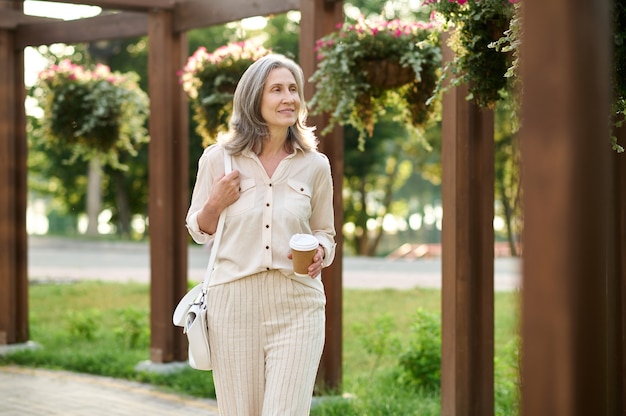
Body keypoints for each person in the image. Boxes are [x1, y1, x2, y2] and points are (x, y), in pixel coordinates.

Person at [185, 53, 336, 415]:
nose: (289, 98)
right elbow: (199, 230)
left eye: (294, 89)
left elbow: (325, 231)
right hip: (233, 304)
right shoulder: (217, 160)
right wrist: (216, 203)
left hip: (298, 304)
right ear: (254, 98)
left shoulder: (315, 164)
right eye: (277, 90)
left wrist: (320, 250)